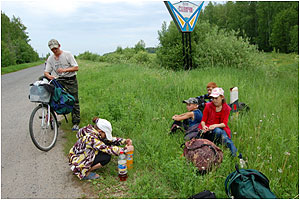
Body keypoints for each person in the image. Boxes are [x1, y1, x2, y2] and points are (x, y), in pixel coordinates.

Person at [68, 117, 134, 180]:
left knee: (105, 143)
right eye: (105, 134)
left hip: (79, 155)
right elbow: (107, 149)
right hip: (79, 161)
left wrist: (124, 141)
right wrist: (125, 150)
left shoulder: (90, 130)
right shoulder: (91, 138)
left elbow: (108, 140)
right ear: (100, 131)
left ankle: (85, 167)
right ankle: (84, 171)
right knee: (106, 157)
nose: (106, 136)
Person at [44, 39, 80, 131]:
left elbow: (76, 68)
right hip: (59, 79)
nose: (54, 51)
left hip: (70, 80)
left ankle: (76, 122)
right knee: (53, 96)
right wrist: (49, 76)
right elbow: (46, 72)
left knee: (74, 100)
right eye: (52, 49)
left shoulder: (67, 55)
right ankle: (53, 118)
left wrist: (64, 70)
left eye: (55, 48)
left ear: (59, 46)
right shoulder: (50, 58)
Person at [198, 87, 238, 157]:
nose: (214, 100)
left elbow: (224, 124)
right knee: (221, 134)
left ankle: (236, 156)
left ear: (222, 97)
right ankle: (236, 155)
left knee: (222, 134)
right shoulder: (208, 106)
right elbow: (203, 121)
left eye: (216, 98)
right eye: (212, 98)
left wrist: (215, 125)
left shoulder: (226, 108)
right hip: (208, 129)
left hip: (220, 128)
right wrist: (204, 126)